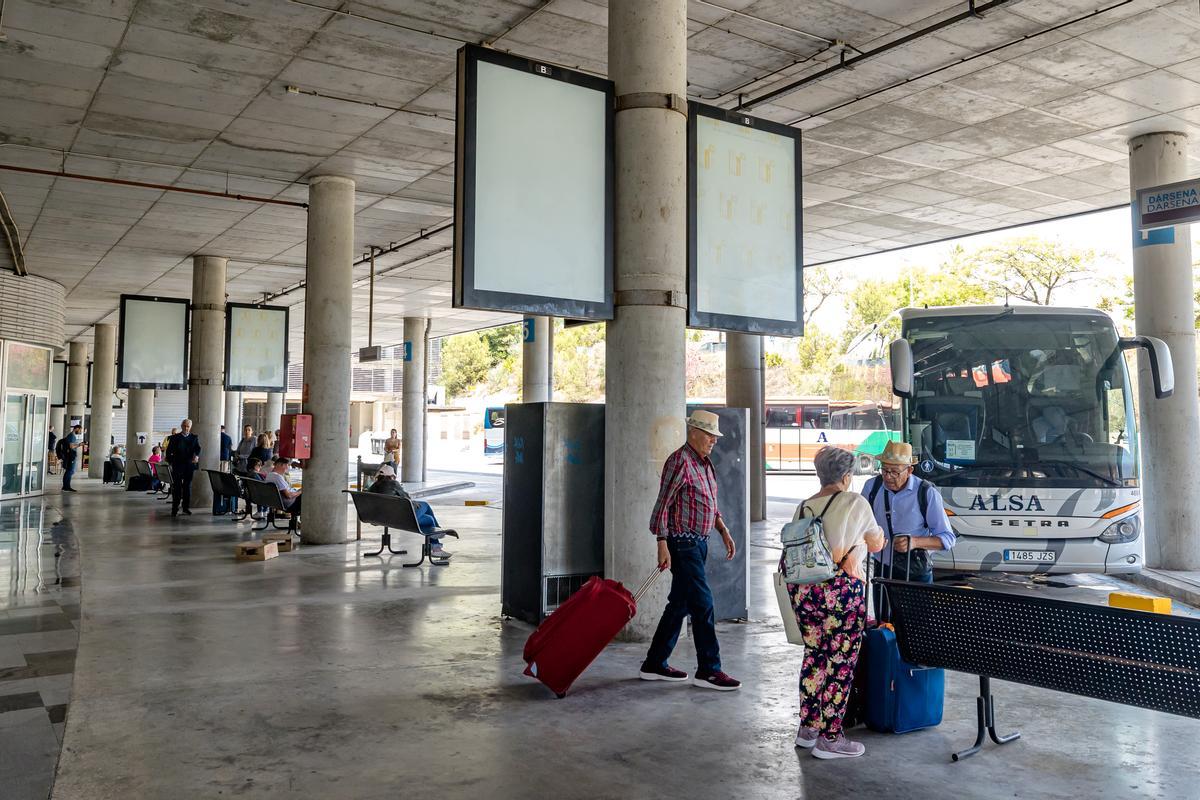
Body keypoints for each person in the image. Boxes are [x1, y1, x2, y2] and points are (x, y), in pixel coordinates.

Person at [790, 446, 885, 759]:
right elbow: (875, 542)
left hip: (804, 591)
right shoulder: (854, 501)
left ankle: (808, 728)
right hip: (840, 591)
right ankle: (831, 738)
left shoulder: (804, 506)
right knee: (840, 662)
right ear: (847, 476)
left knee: (814, 655)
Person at [640, 409, 741, 691]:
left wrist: (723, 529)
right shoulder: (680, 461)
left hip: (700, 541)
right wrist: (662, 543)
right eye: (709, 435)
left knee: (680, 604)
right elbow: (662, 505)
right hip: (682, 543)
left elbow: (709, 501)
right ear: (694, 433)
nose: (714, 441)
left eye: (715, 436)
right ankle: (709, 669)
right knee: (703, 603)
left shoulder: (704, 464)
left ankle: (654, 663)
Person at [861, 441, 955, 584]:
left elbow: (948, 539)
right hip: (882, 569)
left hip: (915, 570)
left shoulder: (926, 493)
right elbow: (860, 525)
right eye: (884, 470)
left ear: (909, 470)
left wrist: (914, 542)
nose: (888, 477)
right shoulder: (872, 487)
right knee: (882, 607)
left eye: (895, 472)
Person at [368, 464, 451, 559]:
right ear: (391, 476)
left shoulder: (372, 487)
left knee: (429, 519)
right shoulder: (393, 483)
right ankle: (437, 533)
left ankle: (437, 549)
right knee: (425, 505)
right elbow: (407, 499)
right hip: (401, 519)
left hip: (382, 519)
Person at [165, 419, 201, 517]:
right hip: (177, 465)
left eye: (188, 426)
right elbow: (168, 452)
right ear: (181, 426)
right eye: (184, 426)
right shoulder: (174, 438)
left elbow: (197, 449)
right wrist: (171, 462)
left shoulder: (194, 438)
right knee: (176, 487)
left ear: (190, 427)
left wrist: (196, 456)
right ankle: (175, 508)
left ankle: (185, 508)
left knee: (187, 487)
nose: (186, 428)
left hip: (189, 466)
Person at [265, 456, 301, 522]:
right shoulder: (277, 477)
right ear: (282, 465)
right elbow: (289, 495)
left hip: (276, 503)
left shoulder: (269, 475)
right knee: (307, 495)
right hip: (288, 504)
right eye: (287, 466)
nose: (287, 469)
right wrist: (300, 491)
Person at [62, 424, 82, 492]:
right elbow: (71, 446)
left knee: (69, 471)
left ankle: (66, 486)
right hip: (71, 456)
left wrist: (78, 444)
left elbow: (72, 445)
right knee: (70, 471)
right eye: (80, 430)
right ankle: (66, 487)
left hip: (70, 455)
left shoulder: (71, 436)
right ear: (76, 428)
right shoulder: (72, 436)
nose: (80, 432)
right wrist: (79, 445)